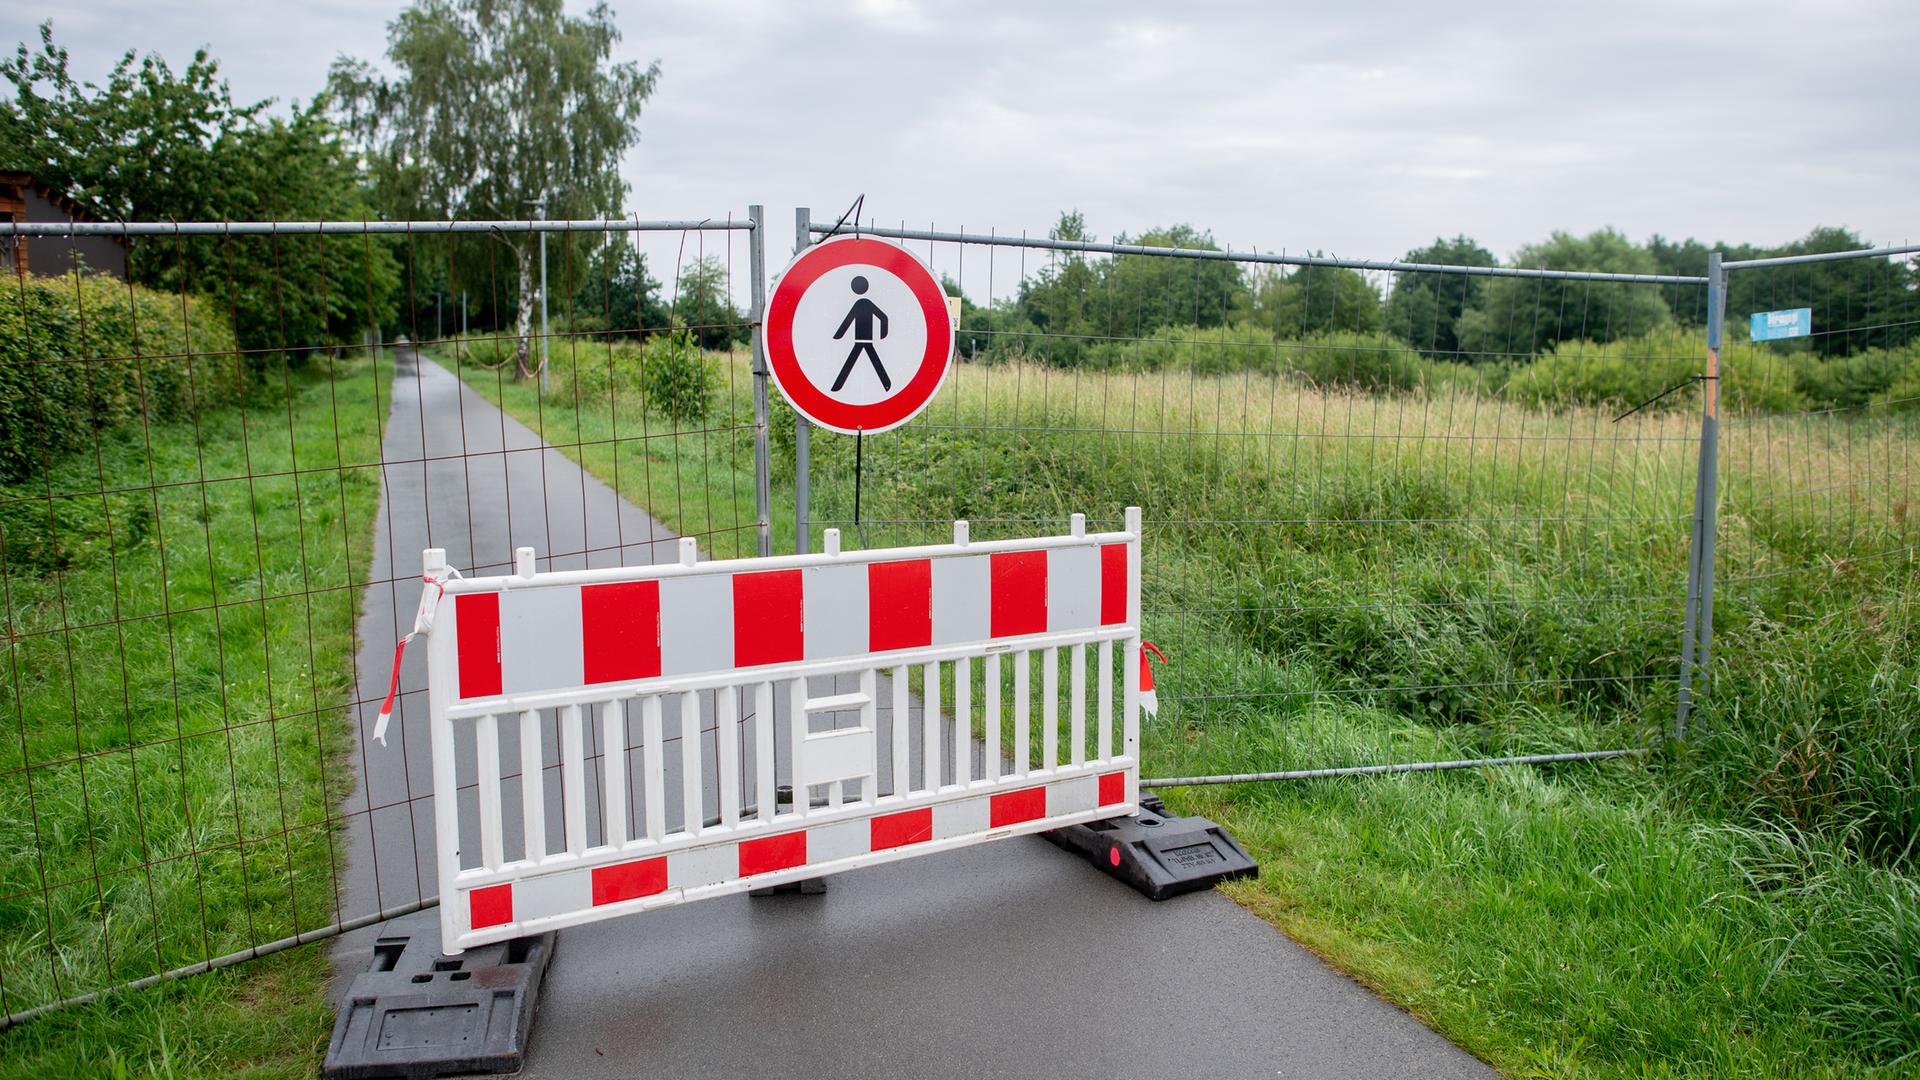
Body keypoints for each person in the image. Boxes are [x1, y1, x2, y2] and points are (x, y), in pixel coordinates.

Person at [831, 276, 891, 391]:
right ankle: (886, 384)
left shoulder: (861, 303)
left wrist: (839, 335)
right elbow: (883, 318)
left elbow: (848, 321)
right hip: (864, 340)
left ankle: (837, 386)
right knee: (869, 360)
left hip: (862, 339)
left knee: (853, 361)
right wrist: (882, 333)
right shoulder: (865, 303)